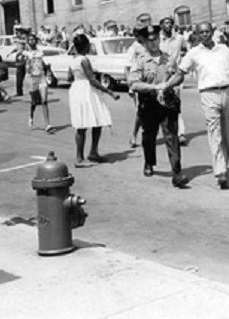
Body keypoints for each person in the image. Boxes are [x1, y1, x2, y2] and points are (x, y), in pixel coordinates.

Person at [161, 22, 229, 190]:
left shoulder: (223, 49)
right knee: (214, 132)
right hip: (208, 94)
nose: (205, 35)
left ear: (212, 32)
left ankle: (223, 166)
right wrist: (167, 86)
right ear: (197, 35)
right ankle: (220, 172)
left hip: (226, 92)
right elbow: (180, 73)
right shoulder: (194, 53)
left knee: (227, 133)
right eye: (201, 32)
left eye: (207, 31)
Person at [128, 25, 189, 188]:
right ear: (144, 42)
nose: (154, 43)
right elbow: (133, 84)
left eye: (156, 39)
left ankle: (177, 173)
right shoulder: (140, 60)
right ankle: (149, 162)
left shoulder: (168, 58)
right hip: (148, 103)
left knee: (172, 137)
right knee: (149, 136)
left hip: (167, 103)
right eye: (150, 40)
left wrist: (169, 85)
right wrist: (154, 87)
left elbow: (179, 75)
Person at [68, 33, 120, 167]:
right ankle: (79, 158)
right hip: (86, 90)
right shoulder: (84, 60)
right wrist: (109, 91)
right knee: (83, 124)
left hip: (77, 89)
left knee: (96, 121)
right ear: (85, 46)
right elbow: (91, 79)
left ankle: (93, 152)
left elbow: (69, 77)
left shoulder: (73, 60)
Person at [160, 16, 188, 146]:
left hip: (175, 75)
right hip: (161, 75)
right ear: (161, 26)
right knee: (161, 103)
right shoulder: (158, 40)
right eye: (166, 23)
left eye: (170, 23)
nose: (168, 25)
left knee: (176, 103)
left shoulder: (179, 38)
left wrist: (181, 61)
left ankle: (181, 133)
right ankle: (167, 131)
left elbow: (186, 50)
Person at [125, 14, 152, 148]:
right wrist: (130, 86)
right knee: (140, 111)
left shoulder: (148, 45)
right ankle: (134, 135)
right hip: (138, 81)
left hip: (151, 80)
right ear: (136, 35)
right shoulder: (133, 48)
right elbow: (128, 68)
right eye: (141, 34)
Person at [26, 33, 53, 133]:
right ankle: (31, 115)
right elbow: (26, 67)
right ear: (28, 41)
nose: (32, 41)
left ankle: (48, 125)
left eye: (33, 39)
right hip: (32, 79)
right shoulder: (26, 53)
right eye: (30, 39)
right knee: (34, 102)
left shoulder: (40, 52)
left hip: (41, 78)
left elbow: (42, 63)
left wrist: (47, 68)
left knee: (44, 101)